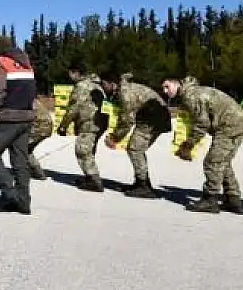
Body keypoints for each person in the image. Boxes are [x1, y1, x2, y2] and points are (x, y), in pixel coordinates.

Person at [162, 75, 243, 214]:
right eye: (163, 88)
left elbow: (202, 124)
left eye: (167, 86)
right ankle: (233, 199)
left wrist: (188, 144)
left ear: (177, 84)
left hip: (228, 126)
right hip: (239, 124)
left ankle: (210, 200)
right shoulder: (195, 91)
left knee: (212, 162)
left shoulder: (190, 95)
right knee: (223, 162)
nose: (165, 91)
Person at [0, 37, 36, 215]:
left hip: (8, 117)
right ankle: (24, 201)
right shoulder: (26, 63)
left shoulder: (0, 64)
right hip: (26, 117)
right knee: (20, 159)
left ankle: (9, 194)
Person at [100, 71, 172, 198]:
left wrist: (114, 138)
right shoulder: (122, 89)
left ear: (112, 84)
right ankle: (142, 182)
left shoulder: (125, 93)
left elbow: (127, 120)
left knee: (135, 149)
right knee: (135, 149)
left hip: (154, 117)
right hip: (151, 116)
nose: (103, 87)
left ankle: (143, 186)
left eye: (104, 84)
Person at [57, 61, 107, 192]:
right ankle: (90, 177)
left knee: (82, 151)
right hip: (100, 122)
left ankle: (94, 181)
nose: (69, 76)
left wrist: (63, 125)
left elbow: (74, 108)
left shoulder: (82, 86)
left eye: (70, 73)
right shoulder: (96, 84)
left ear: (76, 72)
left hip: (89, 122)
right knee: (89, 150)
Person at [27, 96, 55, 180]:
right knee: (26, 149)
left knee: (19, 148)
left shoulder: (24, 100)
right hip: (44, 127)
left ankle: (35, 172)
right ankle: (37, 172)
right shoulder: (29, 98)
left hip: (39, 127)